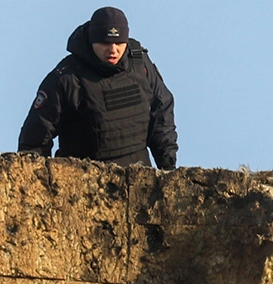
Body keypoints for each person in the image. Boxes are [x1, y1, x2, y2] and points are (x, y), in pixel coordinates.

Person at [18, 7, 178, 169]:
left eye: (119, 42)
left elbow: (162, 111)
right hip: (83, 181)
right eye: (105, 43)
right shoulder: (67, 77)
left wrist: (168, 166)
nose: (113, 50)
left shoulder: (140, 63)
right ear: (92, 39)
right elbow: (35, 138)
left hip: (139, 178)